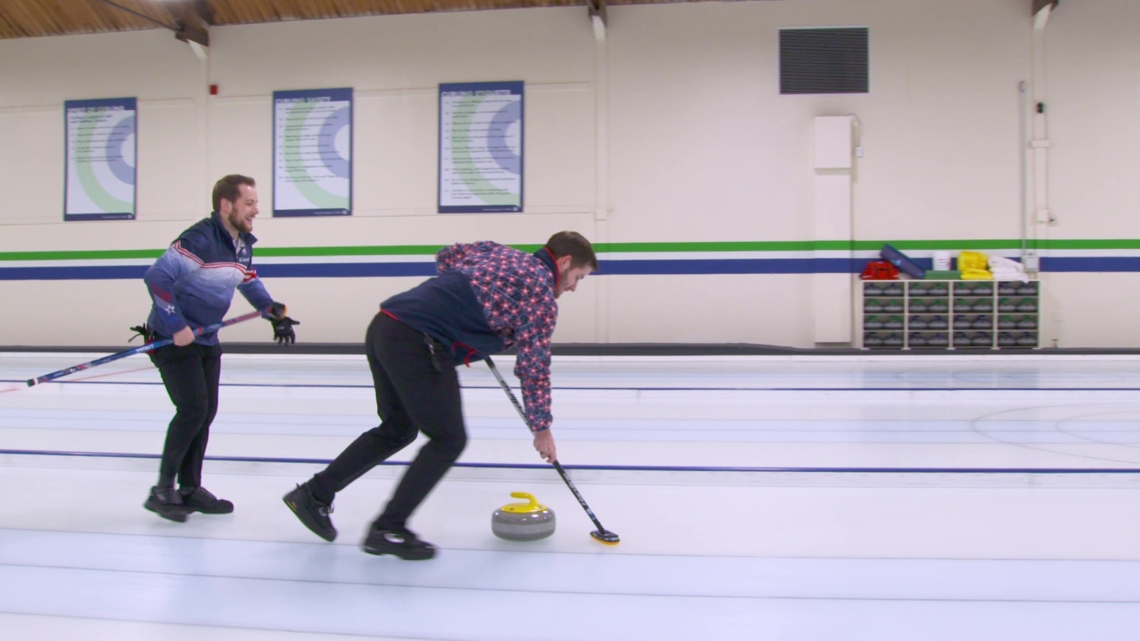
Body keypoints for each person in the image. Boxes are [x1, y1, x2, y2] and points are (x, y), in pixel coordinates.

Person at [283, 232, 597, 560]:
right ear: (564, 262)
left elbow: (447, 255)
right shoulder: (541, 296)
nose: (574, 287)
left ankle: (313, 495)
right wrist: (542, 429)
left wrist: (465, 313)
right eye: (578, 277)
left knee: (397, 428)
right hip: (418, 341)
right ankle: (388, 528)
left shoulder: (499, 253)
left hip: (385, 327)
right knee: (449, 440)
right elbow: (534, 367)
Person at [141, 174, 298, 522]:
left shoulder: (241, 243)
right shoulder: (199, 239)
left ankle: (189, 488)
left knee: (206, 411)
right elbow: (157, 278)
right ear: (226, 205)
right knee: (192, 409)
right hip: (172, 338)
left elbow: (246, 279)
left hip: (207, 338)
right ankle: (162, 490)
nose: (256, 210)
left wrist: (272, 312)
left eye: (255, 203)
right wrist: (176, 325)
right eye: (249, 203)